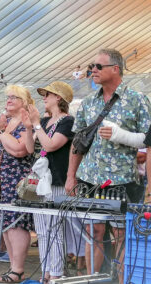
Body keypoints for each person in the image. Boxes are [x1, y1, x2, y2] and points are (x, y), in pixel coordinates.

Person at [65, 49, 151, 283]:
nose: (93, 70)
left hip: (124, 180)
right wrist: (70, 176)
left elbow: (149, 141)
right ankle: (93, 279)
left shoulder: (137, 99)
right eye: (92, 65)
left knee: (122, 234)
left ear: (115, 69)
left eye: (98, 66)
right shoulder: (88, 102)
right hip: (90, 180)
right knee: (93, 232)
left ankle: (122, 281)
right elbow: (78, 143)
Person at [22, 82, 83, 281]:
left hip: (58, 179)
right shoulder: (46, 121)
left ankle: (55, 274)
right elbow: (32, 149)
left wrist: (37, 124)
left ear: (59, 98)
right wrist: (30, 127)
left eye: (47, 94)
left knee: (56, 230)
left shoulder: (68, 121)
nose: (44, 98)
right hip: (42, 181)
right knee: (42, 231)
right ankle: (46, 272)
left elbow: (51, 145)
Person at [0, 86, 34, 282]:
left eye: (14, 97)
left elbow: (19, 150)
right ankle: (14, 268)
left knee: (16, 223)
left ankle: (18, 268)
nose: (9, 100)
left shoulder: (24, 123)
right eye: (8, 97)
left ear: (24, 102)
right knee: (5, 223)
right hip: (1, 178)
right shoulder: (5, 122)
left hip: (18, 179)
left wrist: (2, 132)